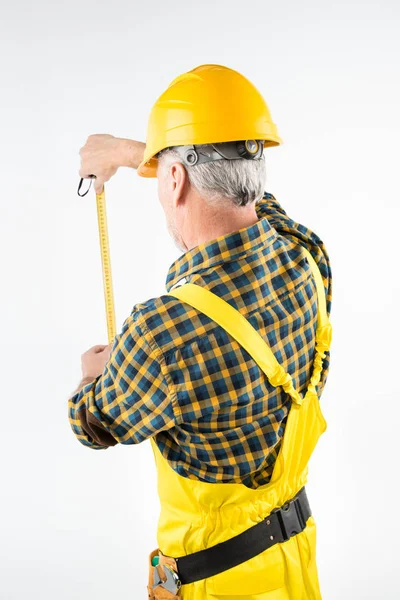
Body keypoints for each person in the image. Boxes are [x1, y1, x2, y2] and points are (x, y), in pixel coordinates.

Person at [69, 64, 333, 599]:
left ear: (174, 179)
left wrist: (91, 377)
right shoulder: (305, 254)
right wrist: (134, 151)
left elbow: (94, 425)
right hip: (294, 567)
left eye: (163, 170)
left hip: (216, 585)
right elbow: (253, 201)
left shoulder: (161, 333)